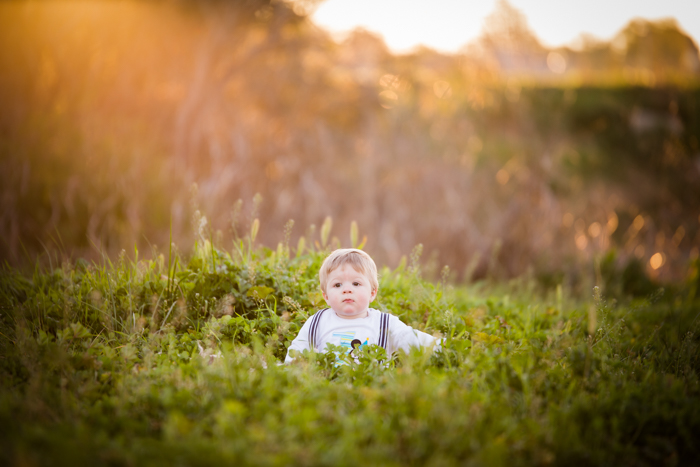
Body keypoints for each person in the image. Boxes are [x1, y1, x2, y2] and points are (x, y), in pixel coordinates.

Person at [284, 248, 441, 363]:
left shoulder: (384, 323)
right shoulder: (317, 322)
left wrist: (443, 346)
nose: (347, 289)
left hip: (369, 389)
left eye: (356, 283)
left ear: (372, 292)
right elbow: (297, 351)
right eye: (337, 285)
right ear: (326, 296)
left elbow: (410, 339)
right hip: (327, 389)